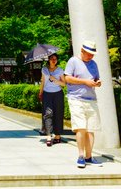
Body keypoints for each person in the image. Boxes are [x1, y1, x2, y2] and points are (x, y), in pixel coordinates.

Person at [64, 40, 103, 168]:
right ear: (82, 51)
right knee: (80, 127)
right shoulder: (73, 61)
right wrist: (85, 82)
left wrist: (97, 82)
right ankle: (80, 156)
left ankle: (89, 156)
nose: (90, 56)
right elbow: (67, 78)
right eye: (88, 53)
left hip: (91, 99)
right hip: (76, 99)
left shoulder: (94, 64)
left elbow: (96, 78)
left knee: (91, 129)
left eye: (92, 54)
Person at [38, 53, 65, 146]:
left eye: (55, 59)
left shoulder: (60, 70)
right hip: (47, 94)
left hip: (58, 94)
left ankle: (57, 136)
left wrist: (55, 80)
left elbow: (64, 84)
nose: (54, 60)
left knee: (58, 113)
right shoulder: (44, 70)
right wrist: (40, 92)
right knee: (48, 114)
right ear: (48, 60)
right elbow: (43, 82)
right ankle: (49, 136)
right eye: (52, 59)